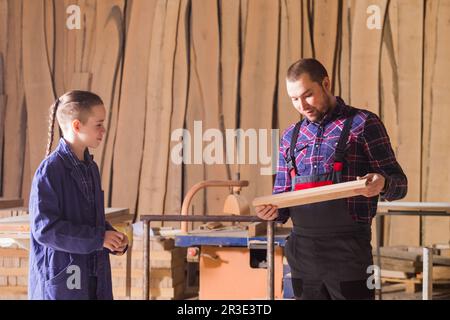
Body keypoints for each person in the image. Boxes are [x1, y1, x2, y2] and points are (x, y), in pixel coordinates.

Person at [255, 59, 407, 300]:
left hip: (349, 253)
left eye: (308, 95)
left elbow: (400, 184)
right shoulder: (290, 137)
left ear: (326, 83)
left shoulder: (364, 124)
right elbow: (282, 202)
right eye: (294, 99)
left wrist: (383, 184)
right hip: (302, 254)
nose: (302, 105)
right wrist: (270, 211)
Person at [28, 90, 128, 300]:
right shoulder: (50, 171)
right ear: (76, 125)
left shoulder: (91, 167)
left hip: (94, 271)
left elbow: (89, 219)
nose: (104, 130)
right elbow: (45, 230)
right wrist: (99, 238)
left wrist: (110, 238)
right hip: (65, 275)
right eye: (98, 124)